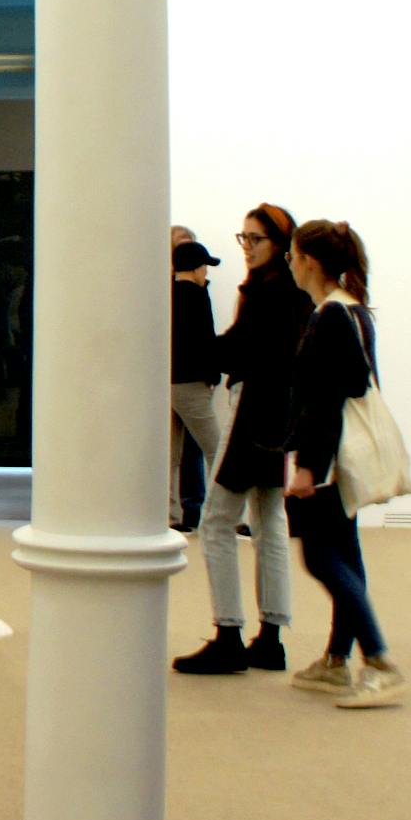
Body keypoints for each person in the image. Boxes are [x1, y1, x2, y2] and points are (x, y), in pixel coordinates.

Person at [172, 204, 303, 675]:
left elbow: (240, 349)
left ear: (280, 244)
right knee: (269, 522)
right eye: (243, 238)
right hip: (275, 412)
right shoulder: (283, 290)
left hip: (255, 410)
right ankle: (271, 637)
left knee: (216, 522)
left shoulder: (272, 293)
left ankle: (229, 634)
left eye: (255, 239)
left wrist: (195, 335)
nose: (246, 248)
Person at [283, 219, 403, 707]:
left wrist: (308, 466)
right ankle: (337, 659)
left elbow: (330, 395)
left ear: (309, 261)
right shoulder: (352, 311)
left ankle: (377, 659)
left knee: (321, 555)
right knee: (345, 553)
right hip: (337, 455)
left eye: (292, 256)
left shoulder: (331, 316)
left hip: (329, 458)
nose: (290, 265)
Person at [168, 230, 222, 534]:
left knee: (170, 455)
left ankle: (169, 514)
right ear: (195, 267)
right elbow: (205, 341)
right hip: (192, 383)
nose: (206, 273)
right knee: (216, 448)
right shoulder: (197, 296)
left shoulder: (167, 295)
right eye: (204, 267)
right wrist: (213, 375)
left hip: (169, 382)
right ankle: (224, 512)